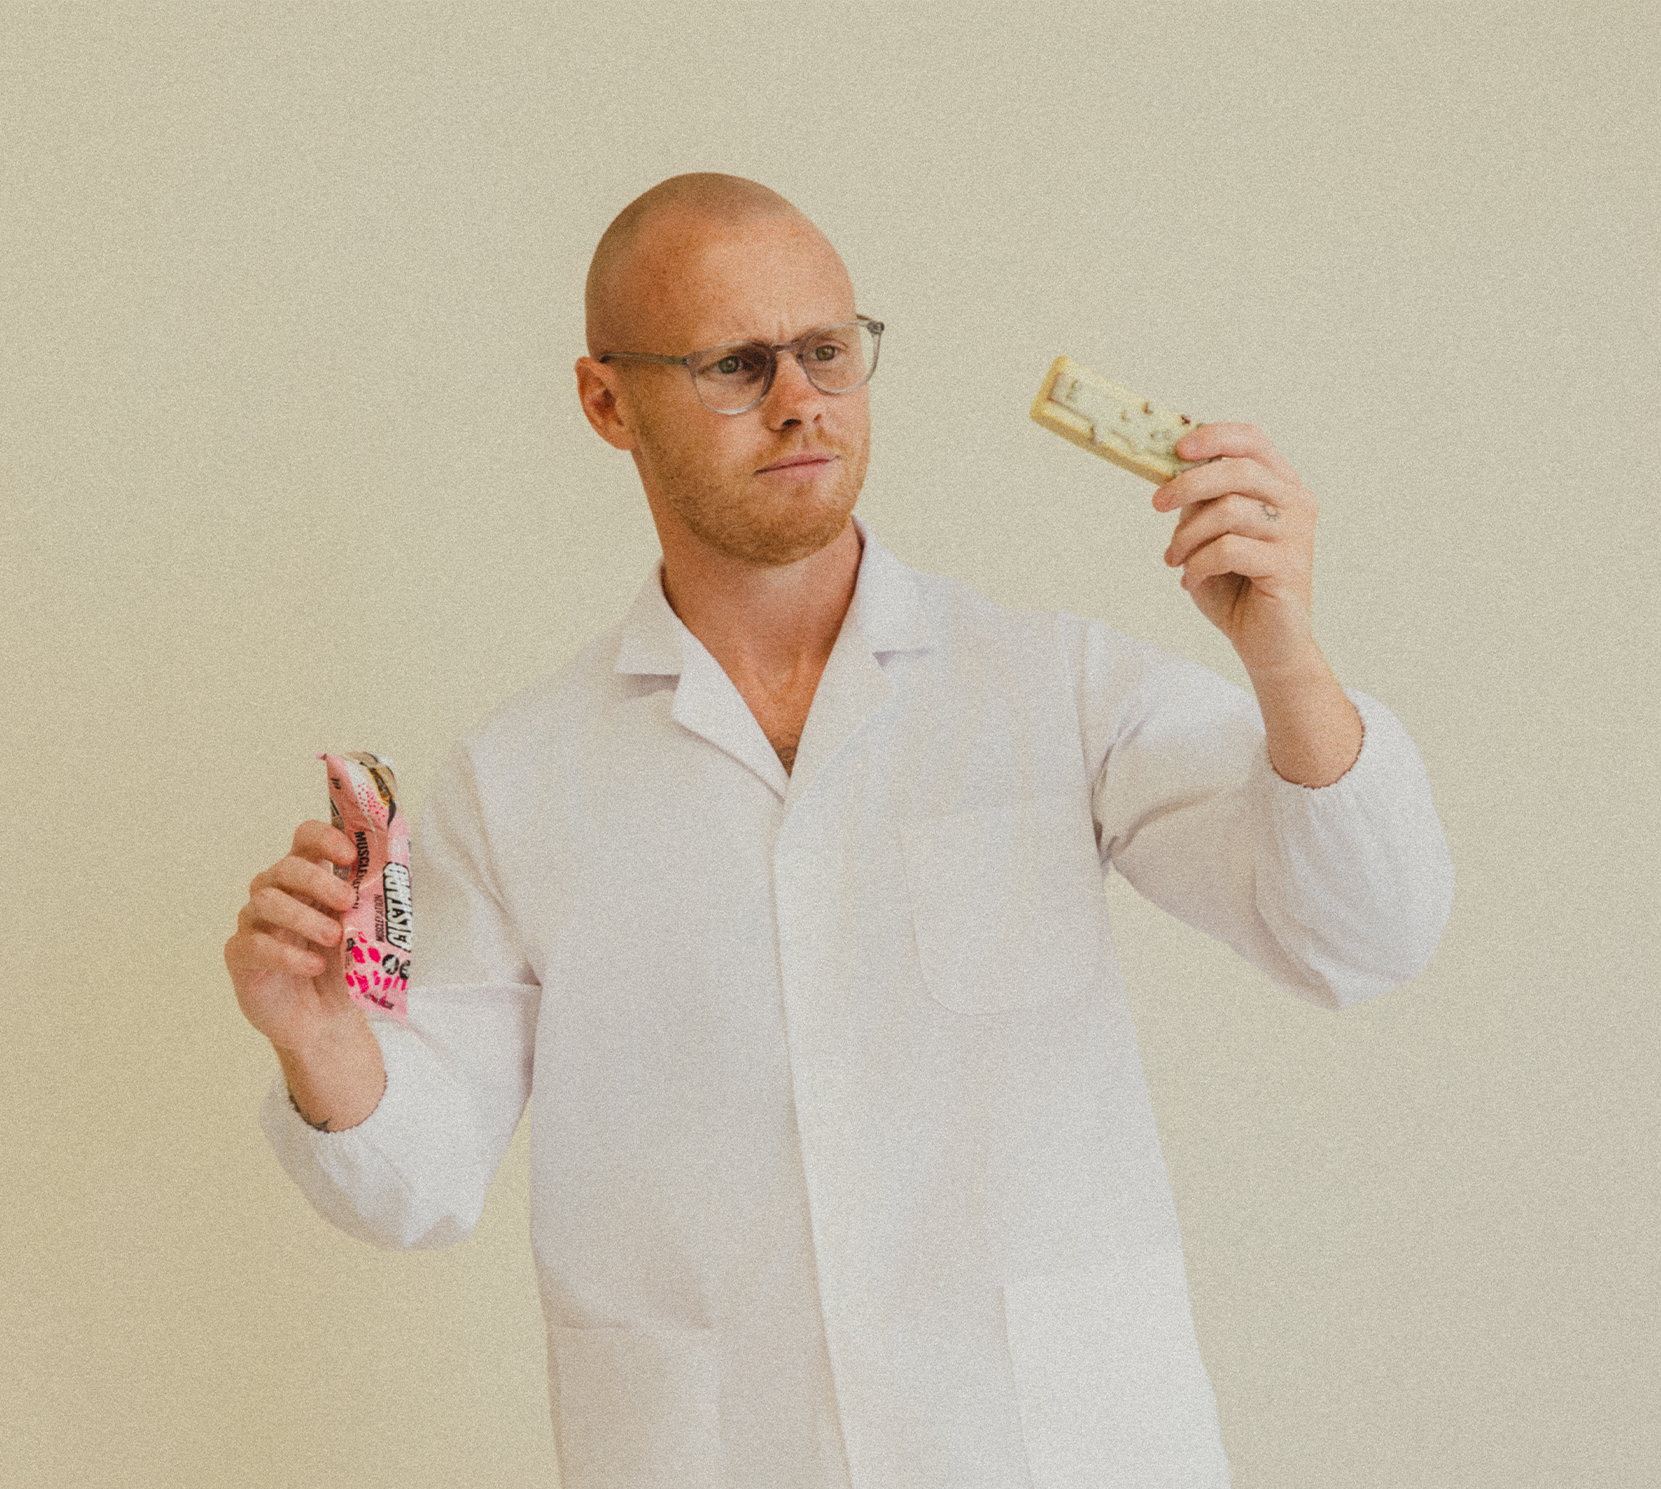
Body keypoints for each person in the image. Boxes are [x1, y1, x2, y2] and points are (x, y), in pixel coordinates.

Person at [224, 173, 1453, 1489]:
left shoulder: (1053, 689)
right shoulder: (517, 783)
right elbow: (418, 1181)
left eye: (826, 351)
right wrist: (321, 1041)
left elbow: (1363, 936)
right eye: (735, 366)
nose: (801, 400)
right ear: (605, 401)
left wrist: (1285, 659)